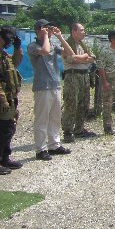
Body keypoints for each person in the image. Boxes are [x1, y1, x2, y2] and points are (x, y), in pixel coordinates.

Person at [27, 19, 75, 161]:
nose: (49, 31)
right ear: (39, 30)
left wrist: (60, 37)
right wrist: (46, 37)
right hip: (42, 86)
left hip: (55, 85)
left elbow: (70, 53)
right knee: (42, 119)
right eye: (46, 28)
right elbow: (45, 51)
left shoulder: (53, 44)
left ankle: (54, 145)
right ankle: (40, 149)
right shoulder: (33, 46)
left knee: (55, 117)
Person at [61, 23, 97, 143]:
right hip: (72, 75)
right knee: (71, 103)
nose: (84, 32)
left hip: (84, 75)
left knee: (84, 103)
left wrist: (82, 57)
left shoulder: (83, 44)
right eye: (81, 30)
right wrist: (84, 57)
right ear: (73, 31)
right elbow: (73, 59)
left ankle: (79, 129)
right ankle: (67, 131)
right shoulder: (66, 44)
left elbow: (92, 58)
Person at [0, 27, 23, 174]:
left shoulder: (4, 55)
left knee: (9, 128)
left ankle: (5, 157)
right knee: (4, 129)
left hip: (10, 97)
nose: (9, 40)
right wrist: (3, 100)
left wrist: (17, 48)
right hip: (3, 99)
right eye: (8, 37)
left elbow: (15, 62)